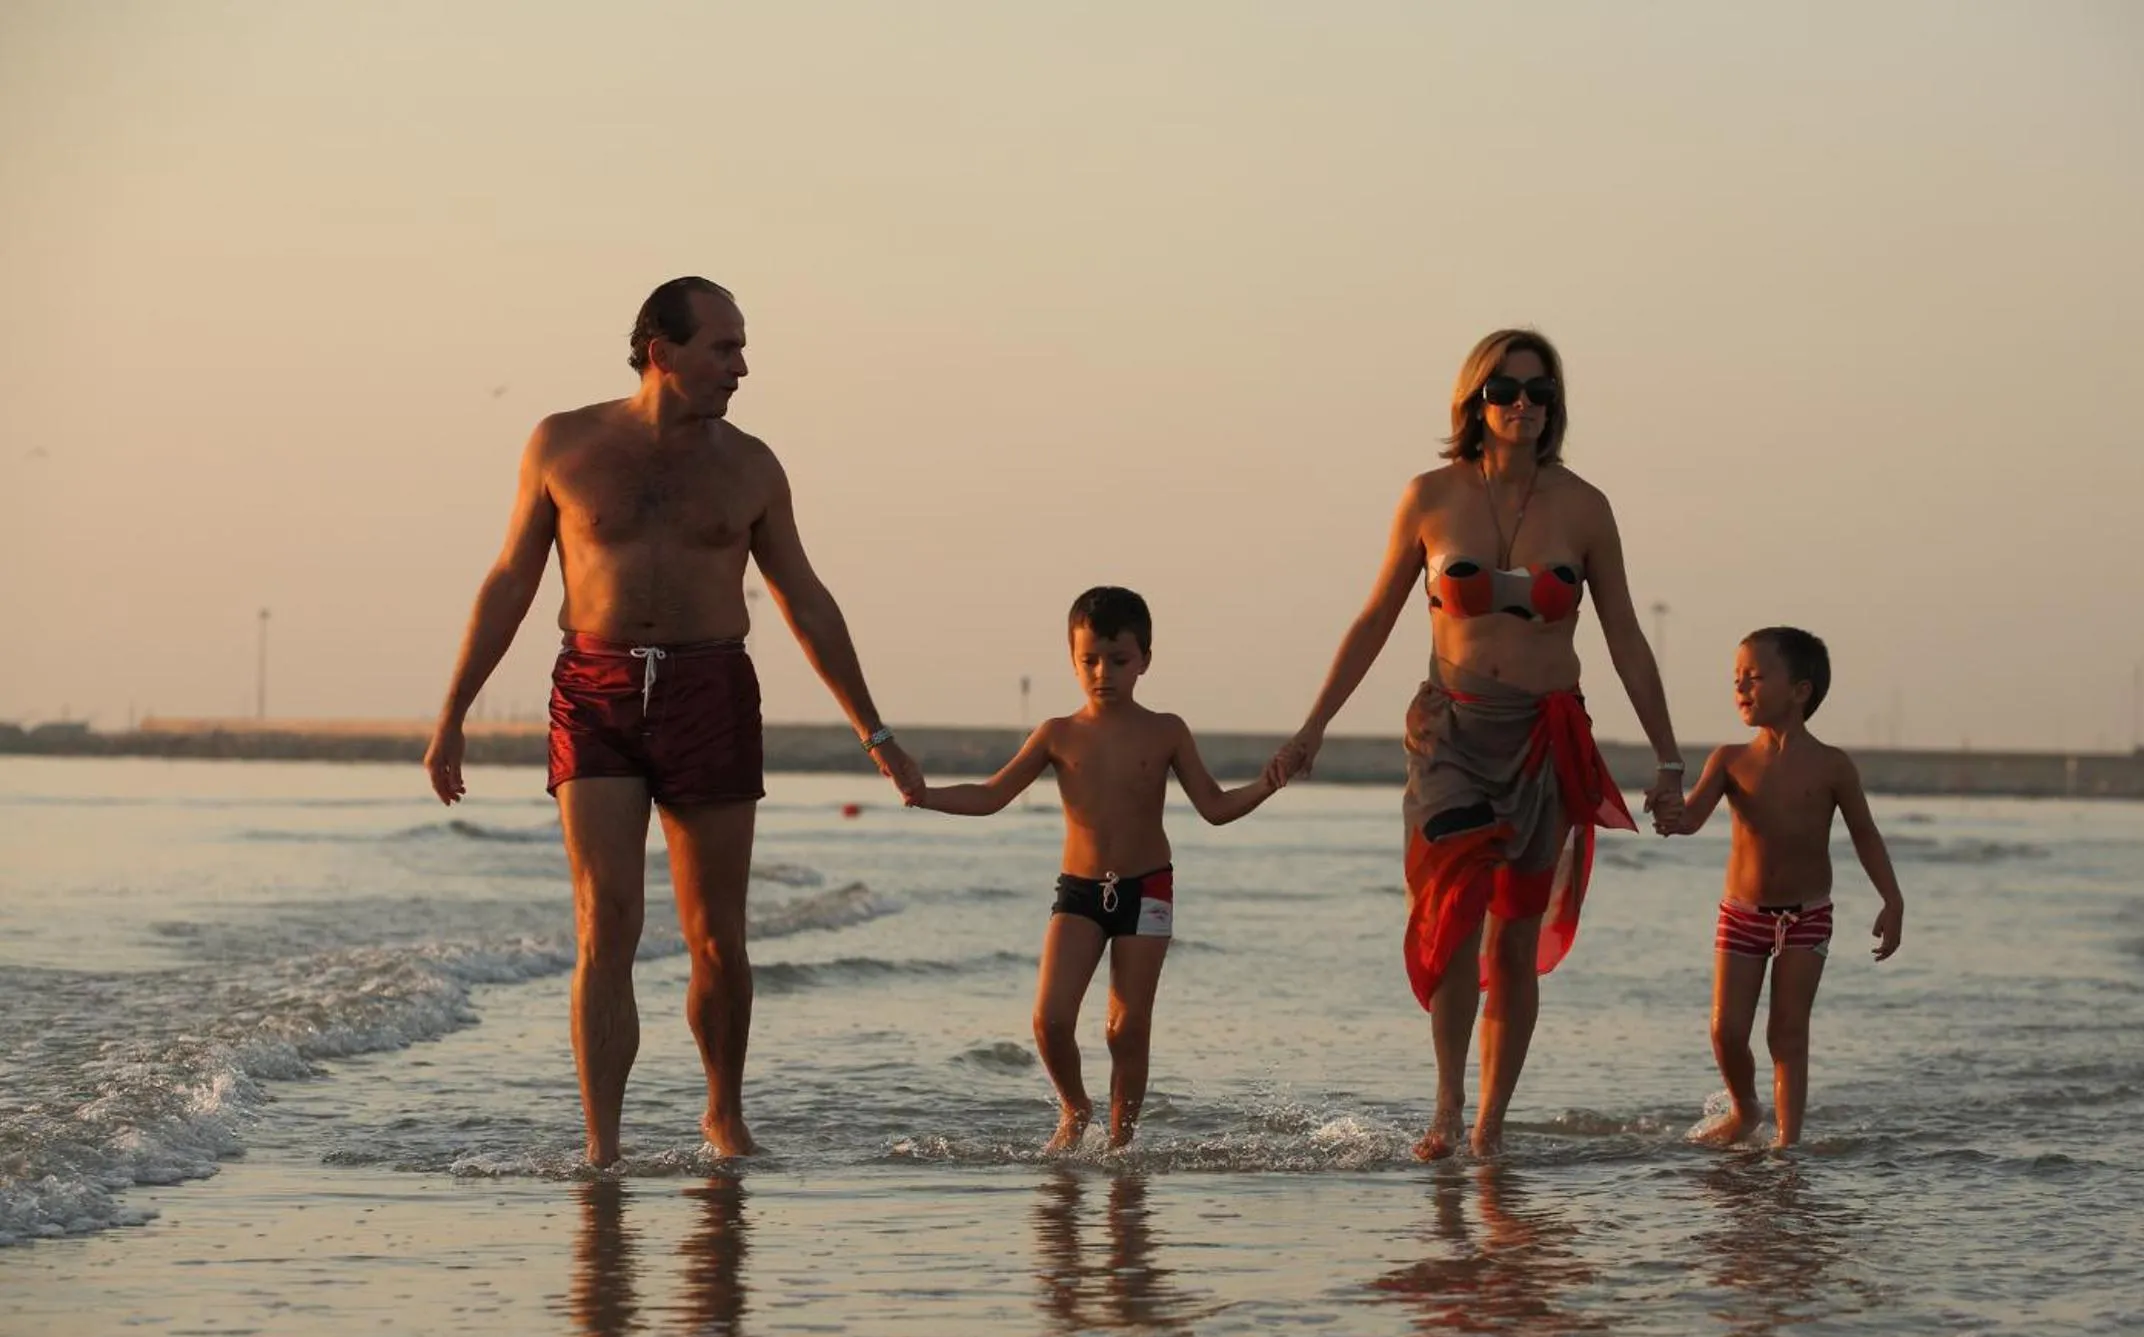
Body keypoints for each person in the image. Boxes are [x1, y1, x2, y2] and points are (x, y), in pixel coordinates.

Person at [422, 276, 923, 1166]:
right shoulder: (562, 444)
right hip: (595, 689)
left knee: (716, 936)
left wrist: (873, 732)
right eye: (724, 347)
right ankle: (602, 1149)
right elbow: (509, 582)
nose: (741, 367)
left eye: (742, 347)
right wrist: (453, 712)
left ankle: (722, 1114)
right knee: (604, 920)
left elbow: (805, 599)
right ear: (662, 351)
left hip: (710, 691)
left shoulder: (753, 467)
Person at [1270, 328, 1684, 1161]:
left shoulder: (1585, 507)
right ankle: (1448, 1105)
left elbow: (1628, 638)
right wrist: (1313, 725)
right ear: (1474, 400)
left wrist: (1670, 758)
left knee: (1513, 937)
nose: (1523, 405)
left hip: (1542, 737)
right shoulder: (1429, 496)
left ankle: (1490, 1126)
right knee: (1454, 918)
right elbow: (1375, 619)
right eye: (1505, 390)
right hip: (1450, 734)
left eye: (1539, 392)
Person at [913, 587, 1281, 1152]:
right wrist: (925, 794)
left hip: (1148, 888)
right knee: (1049, 1019)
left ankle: (1120, 1143)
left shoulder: (1166, 730)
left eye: (1118, 660)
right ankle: (1075, 1107)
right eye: (1089, 660)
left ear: (1145, 661)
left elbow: (1215, 808)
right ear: (1072, 659)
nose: (1103, 672)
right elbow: (991, 795)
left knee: (1127, 1027)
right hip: (1080, 892)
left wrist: (1266, 784)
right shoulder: (1058, 733)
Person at [1660, 626, 1904, 1148]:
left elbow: (1864, 833)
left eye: (1755, 676)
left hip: (1806, 916)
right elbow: (1690, 819)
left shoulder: (1833, 765)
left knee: (1787, 1033)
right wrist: (1669, 813)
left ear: (1800, 691)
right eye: (1736, 678)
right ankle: (1746, 1110)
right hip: (1743, 914)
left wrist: (1892, 898)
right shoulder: (1729, 760)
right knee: (1726, 1031)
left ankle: (1786, 1146)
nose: (1741, 687)